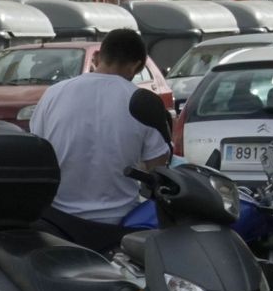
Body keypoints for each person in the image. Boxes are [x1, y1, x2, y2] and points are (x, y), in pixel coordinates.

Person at [28, 28, 171, 251]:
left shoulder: (54, 94)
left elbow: (38, 151)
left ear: (97, 57)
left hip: (58, 223)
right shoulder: (142, 100)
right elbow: (159, 170)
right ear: (135, 66)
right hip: (121, 226)